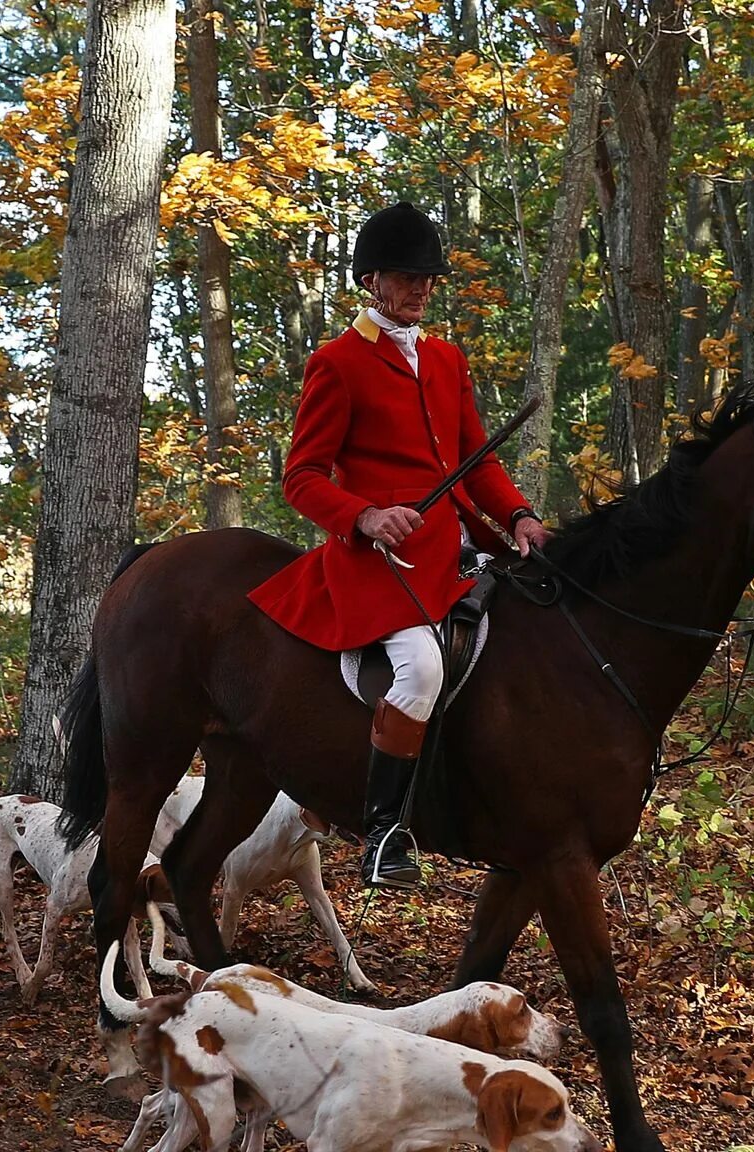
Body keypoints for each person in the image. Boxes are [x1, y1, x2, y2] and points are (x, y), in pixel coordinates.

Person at [248, 203, 549, 888]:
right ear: (372, 281)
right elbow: (301, 478)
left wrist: (522, 516)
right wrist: (365, 516)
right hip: (379, 562)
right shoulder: (338, 363)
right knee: (419, 666)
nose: (420, 290)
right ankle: (384, 833)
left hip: (456, 548)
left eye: (428, 279)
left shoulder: (446, 359)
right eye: (407, 278)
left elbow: (478, 462)